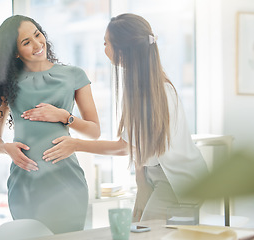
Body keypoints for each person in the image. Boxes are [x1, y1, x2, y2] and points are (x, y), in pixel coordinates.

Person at [42, 13, 208, 222]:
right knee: (137, 227)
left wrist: (75, 144)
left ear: (123, 50)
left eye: (106, 43)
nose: (104, 49)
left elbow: (127, 147)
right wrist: (142, 185)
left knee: (144, 233)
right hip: (158, 176)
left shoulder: (156, 92)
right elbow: (141, 145)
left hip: (177, 181)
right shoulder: (143, 85)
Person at [0, 15, 100, 234]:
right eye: (26, 42)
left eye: (37, 35)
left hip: (67, 184)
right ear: (15, 52)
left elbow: (94, 131)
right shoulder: (6, 85)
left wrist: (65, 116)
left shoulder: (74, 76)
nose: (37, 44)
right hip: (25, 186)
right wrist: (6, 148)